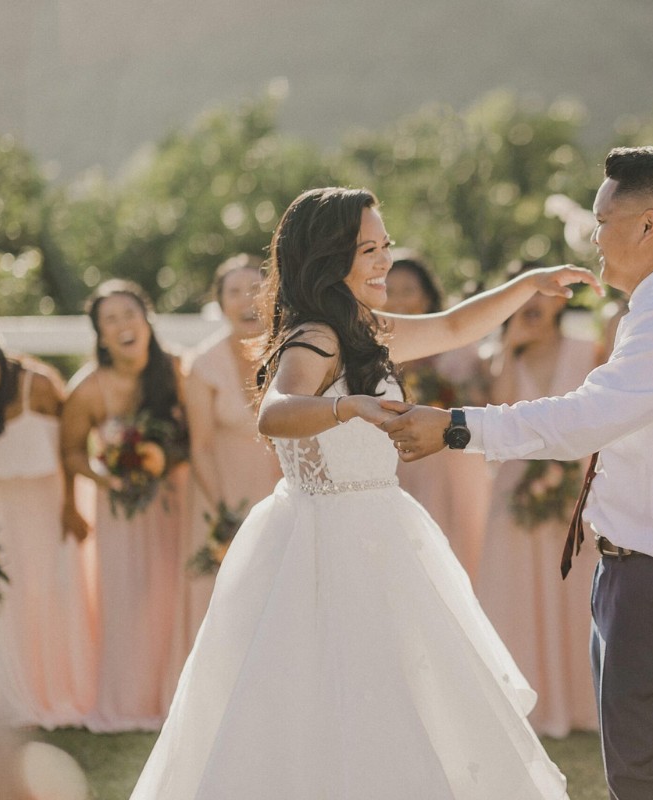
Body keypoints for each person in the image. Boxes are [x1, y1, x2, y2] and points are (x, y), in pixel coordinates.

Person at [128, 186, 598, 799]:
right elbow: (274, 412)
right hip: (324, 543)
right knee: (330, 691)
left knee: (400, 692)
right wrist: (346, 405)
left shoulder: (362, 329)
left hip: (382, 532)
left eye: (386, 246)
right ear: (329, 259)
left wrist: (527, 284)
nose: (384, 261)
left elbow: (453, 325)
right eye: (368, 249)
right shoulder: (317, 337)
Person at [383, 146, 653, 800]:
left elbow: (588, 418)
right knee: (635, 771)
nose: (593, 238)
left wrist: (454, 426)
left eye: (602, 221)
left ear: (647, 225)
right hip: (639, 568)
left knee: (645, 775)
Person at [474, 264, 600, 738]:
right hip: (514, 491)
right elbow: (497, 414)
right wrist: (509, 344)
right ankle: (525, 703)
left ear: (561, 299)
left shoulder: (590, 352)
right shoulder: (505, 358)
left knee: (574, 594)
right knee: (514, 593)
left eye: (544, 292)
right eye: (523, 293)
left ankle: (581, 706)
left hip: (574, 492)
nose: (535, 302)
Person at [60, 280, 190, 733]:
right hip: (119, 511)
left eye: (129, 314)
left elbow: (196, 438)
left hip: (175, 502)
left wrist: (164, 458)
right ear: (99, 334)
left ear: (146, 318)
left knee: (173, 597)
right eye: (109, 320)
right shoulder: (88, 388)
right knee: (127, 603)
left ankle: (174, 694)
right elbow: (72, 451)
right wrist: (110, 476)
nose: (122, 325)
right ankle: (128, 701)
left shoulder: (176, 371)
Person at [0, 341, 98, 728]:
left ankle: (58, 690)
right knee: (9, 604)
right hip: (1, 516)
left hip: (49, 510)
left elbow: (72, 447)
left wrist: (72, 506)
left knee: (52, 594)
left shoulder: (36, 384)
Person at [182, 254, 281, 644]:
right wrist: (222, 513)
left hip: (281, 487)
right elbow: (201, 446)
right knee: (225, 595)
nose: (246, 300)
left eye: (256, 289)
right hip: (221, 491)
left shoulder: (291, 352)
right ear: (220, 303)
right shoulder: (203, 364)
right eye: (234, 292)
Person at [380, 253, 493, 582]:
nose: (398, 300)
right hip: (399, 464)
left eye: (408, 290)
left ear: (427, 296)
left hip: (455, 467)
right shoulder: (370, 353)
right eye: (389, 290)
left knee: (459, 554)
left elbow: (484, 400)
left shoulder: (458, 345)